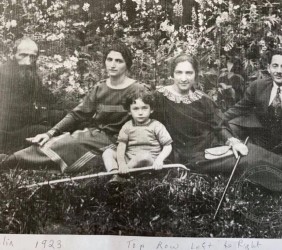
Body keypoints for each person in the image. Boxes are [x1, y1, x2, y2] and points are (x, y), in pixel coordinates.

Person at [1, 42, 146, 173]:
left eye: (119, 61)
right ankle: (10, 161)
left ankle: (11, 162)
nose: (113, 65)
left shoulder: (137, 89)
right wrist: (50, 133)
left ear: (127, 64)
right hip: (96, 135)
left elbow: (148, 119)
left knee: (68, 144)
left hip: (119, 140)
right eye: (109, 60)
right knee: (55, 141)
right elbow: (78, 114)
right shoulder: (100, 87)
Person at [154, 53, 282, 192]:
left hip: (214, 144)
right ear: (172, 74)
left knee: (257, 153)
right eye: (179, 72)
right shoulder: (159, 97)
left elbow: (218, 124)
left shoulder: (202, 99)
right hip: (193, 154)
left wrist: (233, 141)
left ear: (195, 75)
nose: (184, 78)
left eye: (189, 73)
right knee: (250, 162)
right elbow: (141, 120)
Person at [0, 37, 65, 154]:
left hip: (24, 124)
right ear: (13, 54)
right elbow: (15, 114)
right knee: (51, 130)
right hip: (7, 133)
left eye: (32, 57)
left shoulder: (29, 74)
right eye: (23, 55)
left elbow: (48, 97)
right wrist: (49, 115)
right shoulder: (4, 75)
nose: (28, 61)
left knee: (69, 118)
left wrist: (71, 109)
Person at [224, 49, 282, 154]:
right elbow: (238, 109)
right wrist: (216, 121)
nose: (279, 71)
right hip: (260, 138)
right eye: (275, 66)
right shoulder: (258, 86)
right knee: (228, 128)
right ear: (269, 68)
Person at [102, 91, 172, 178]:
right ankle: (114, 173)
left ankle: (122, 176)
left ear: (151, 109)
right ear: (129, 111)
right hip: (130, 159)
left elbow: (168, 146)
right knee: (108, 152)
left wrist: (159, 160)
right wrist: (121, 163)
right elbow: (121, 145)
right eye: (135, 109)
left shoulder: (157, 126)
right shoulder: (127, 126)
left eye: (144, 108)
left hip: (149, 161)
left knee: (143, 155)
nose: (140, 112)